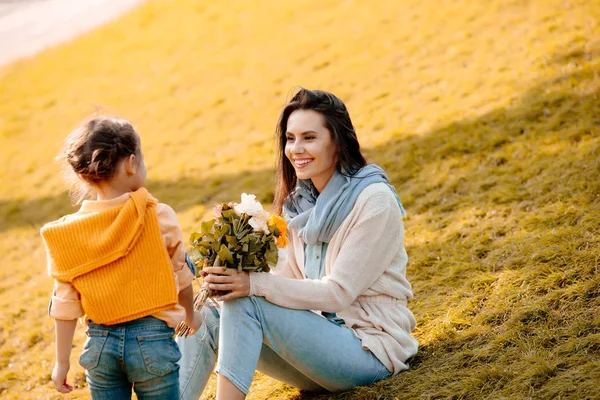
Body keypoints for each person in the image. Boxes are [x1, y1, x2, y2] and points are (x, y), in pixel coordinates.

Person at [177, 88, 418, 400]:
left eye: (309, 137)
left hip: (370, 351)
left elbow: (337, 292)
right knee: (212, 312)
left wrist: (253, 285)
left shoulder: (374, 201)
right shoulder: (299, 205)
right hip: (317, 353)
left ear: (338, 142)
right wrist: (229, 278)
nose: (295, 149)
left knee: (248, 296)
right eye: (290, 139)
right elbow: (285, 282)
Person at [40, 116, 202, 399]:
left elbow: (64, 305)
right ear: (131, 163)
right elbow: (181, 274)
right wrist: (190, 315)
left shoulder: (65, 235)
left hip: (99, 347)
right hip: (153, 343)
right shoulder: (156, 215)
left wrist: (62, 362)